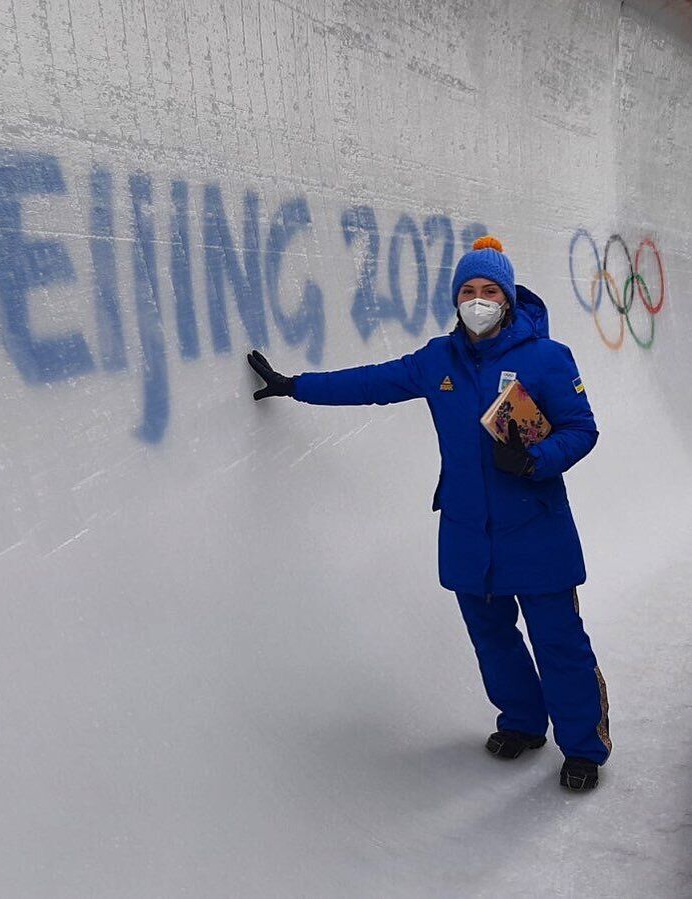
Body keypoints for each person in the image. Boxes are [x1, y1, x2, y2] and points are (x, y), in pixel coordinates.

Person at [246, 236, 611, 791]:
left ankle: (583, 747)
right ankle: (522, 722)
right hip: (468, 528)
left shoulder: (547, 357)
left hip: (535, 528)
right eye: (469, 290)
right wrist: (295, 386)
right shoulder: (438, 360)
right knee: (492, 636)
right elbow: (371, 382)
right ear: (455, 298)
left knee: (558, 639)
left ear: (508, 298)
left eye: (490, 290)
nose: (478, 299)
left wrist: (535, 458)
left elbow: (583, 430)